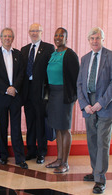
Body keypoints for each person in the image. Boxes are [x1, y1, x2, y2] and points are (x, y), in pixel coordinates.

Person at [77, 27, 112, 194]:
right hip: (89, 105)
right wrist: (85, 105)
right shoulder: (84, 59)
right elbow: (80, 84)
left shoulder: (110, 56)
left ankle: (100, 179)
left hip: (105, 104)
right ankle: (95, 170)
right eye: (92, 38)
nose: (95, 41)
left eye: (97, 38)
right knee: (91, 140)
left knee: (102, 142)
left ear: (103, 39)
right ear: (88, 40)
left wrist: (101, 102)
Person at [0, 28, 28, 169]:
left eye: (10, 36)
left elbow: (21, 74)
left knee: (16, 128)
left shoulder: (19, 54)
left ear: (13, 38)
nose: (7, 38)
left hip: (15, 96)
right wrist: (6, 89)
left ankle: (20, 158)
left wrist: (14, 88)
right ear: (1, 38)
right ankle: (3, 156)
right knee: (2, 127)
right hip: (1, 96)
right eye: (5, 36)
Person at [45, 27, 79, 173]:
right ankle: (59, 159)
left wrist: (73, 97)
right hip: (53, 94)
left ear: (66, 38)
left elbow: (76, 78)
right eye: (56, 35)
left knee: (64, 128)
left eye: (61, 35)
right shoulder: (53, 54)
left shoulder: (70, 54)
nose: (58, 37)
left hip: (64, 95)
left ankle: (65, 163)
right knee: (57, 127)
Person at [21, 23, 55, 164]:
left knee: (41, 122)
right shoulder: (24, 50)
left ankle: (41, 152)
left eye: (37, 31)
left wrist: (49, 93)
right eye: (32, 31)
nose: (34, 33)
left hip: (41, 92)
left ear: (42, 32)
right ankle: (31, 151)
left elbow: (51, 70)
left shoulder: (48, 48)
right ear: (29, 32)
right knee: (30, 122)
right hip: (27, 91)